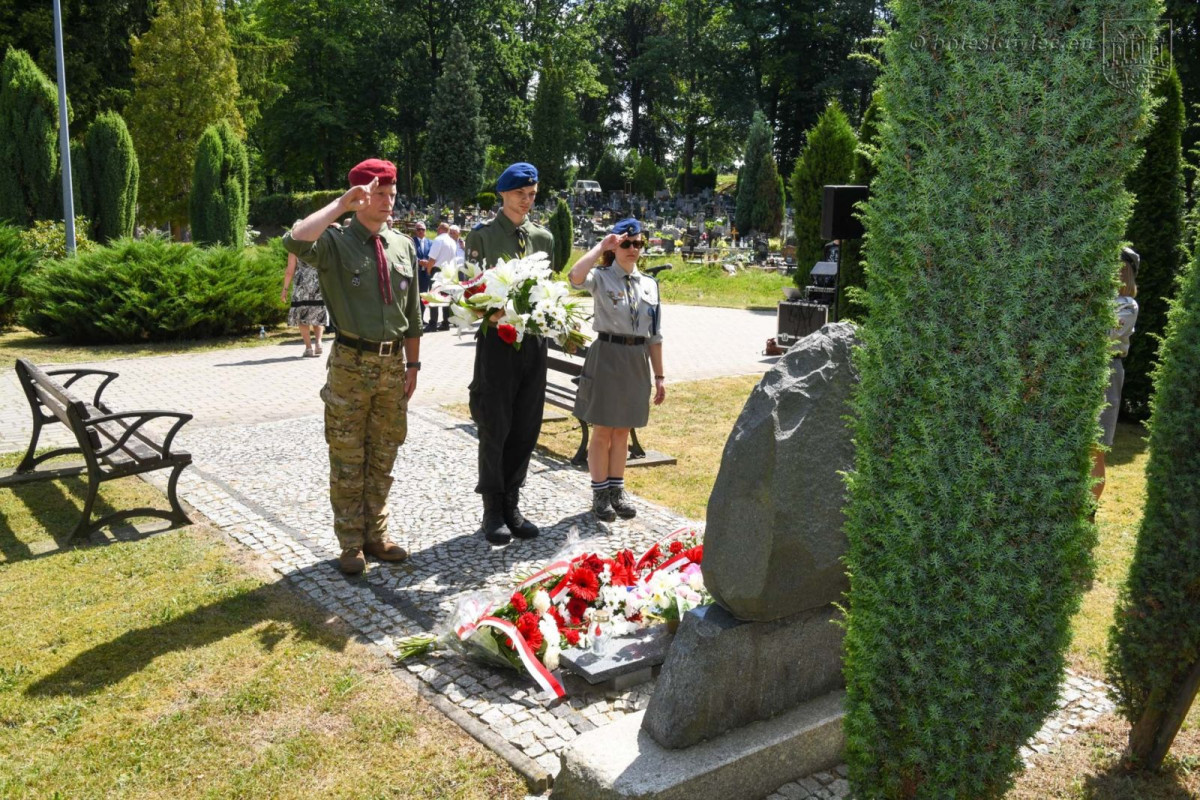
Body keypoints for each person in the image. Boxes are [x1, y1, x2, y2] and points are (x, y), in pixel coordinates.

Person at [283, 159, 423, 575]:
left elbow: (413, 313)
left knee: (383, 454)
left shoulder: (403, 246)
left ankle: (376, 536)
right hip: (350, 362)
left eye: (391, 193)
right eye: (378, 193)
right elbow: (294, 240)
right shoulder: (335, 242)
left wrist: (413, 363)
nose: (388, 201)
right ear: (359, 196)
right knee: (347, 456)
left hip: (393, 364)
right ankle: (350, 543)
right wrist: (339, 206)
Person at [465, 162, 554, 545]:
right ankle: (493, 507)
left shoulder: (543, 237)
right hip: (497, 342)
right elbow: (467, 290)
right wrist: (492, 310)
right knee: (495, 424)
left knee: (526, 425)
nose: (527, 200)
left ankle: (513, 504)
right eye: (521, 194)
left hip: (532, 342)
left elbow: (548, 288)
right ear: (503, 194)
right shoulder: (482, 236)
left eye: (532, 194)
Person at [567, 218, 666, 521]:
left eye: (638, 243)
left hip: (637, 359)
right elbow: (574, 276)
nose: (633, 248)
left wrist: (660, 376)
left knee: (623, 429)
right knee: (603, 430)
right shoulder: (601, 276)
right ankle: (599, 493)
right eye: (626, 243)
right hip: (607, 354)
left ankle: (616, 492)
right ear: (616, 246)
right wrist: (600, 246)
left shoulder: (650, 284)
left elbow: (655, 335)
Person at [1092, 246, 1139, 506]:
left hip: (1108, 370)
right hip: (1087, 368)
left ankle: (1088, 511)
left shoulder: (1127, 306)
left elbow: (1105, 334)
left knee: (1095, 446)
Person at [281, 221, 329, 357]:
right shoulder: (317, 243)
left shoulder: (294, 247)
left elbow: (290, 270)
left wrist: (284, 289)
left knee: (302, 317)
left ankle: (308, 348)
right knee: (317, 313)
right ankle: (319, 343)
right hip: (317, 282)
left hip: (301, 284)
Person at [426, 222, 457, 331]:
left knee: (434, 297)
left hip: (438, 270)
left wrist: (429, 270)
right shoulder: (453, 242)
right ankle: (445, 322)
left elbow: (432, 259)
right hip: (449, 272)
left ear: (439, 230)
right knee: (446, 298)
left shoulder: (438, 240)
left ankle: (433, 323)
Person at [411, 220, 433, 328]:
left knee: (424, 297)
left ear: (425, 231)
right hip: (416, 273)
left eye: (422, 229)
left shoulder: (430, 242)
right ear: (415, 231)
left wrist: (428, 262)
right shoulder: (411, 241)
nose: (420, 231)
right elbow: (409, 254)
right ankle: (415, 319)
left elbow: (433, 255)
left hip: (426, 274)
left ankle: (422, 318)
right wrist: (418, 261)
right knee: (414, 297)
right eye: (418, 229)